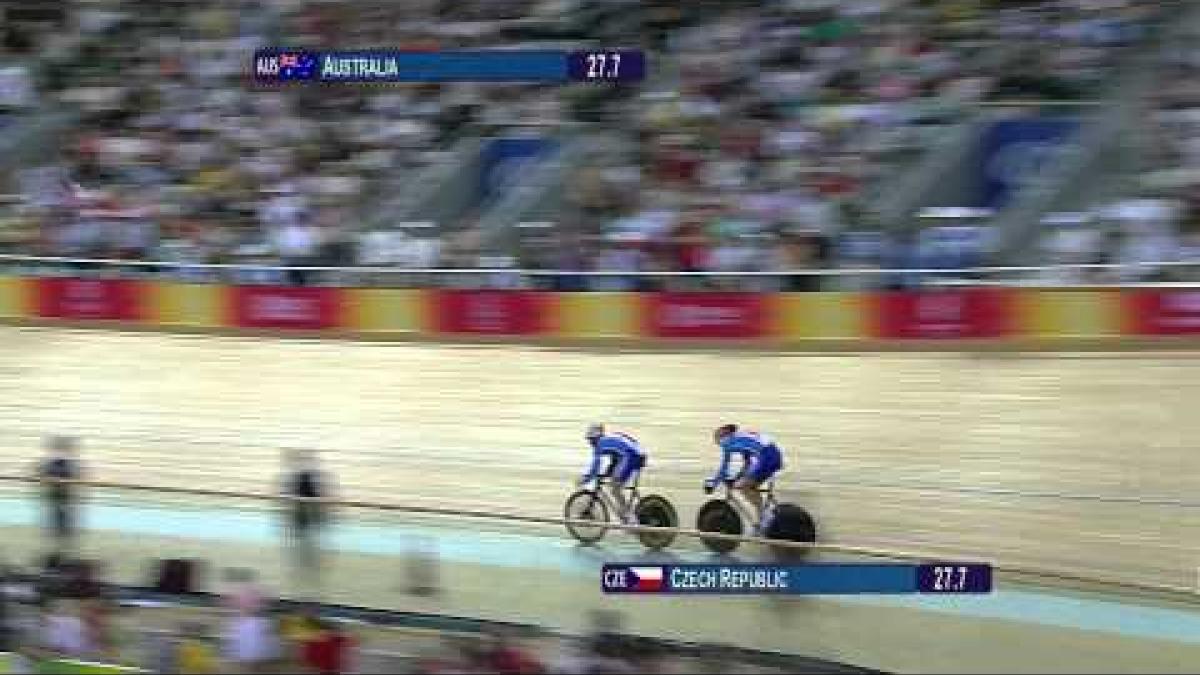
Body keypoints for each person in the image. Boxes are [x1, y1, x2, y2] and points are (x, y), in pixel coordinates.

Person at [704, 425, 784, 533]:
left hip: (766, 457)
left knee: (742, 487)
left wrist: (713, 484)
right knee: (749, 485)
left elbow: (724, 468)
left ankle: (766, 516)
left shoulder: (727, 442)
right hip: (773, 456)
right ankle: (760, 524)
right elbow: (747, 464)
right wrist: (738, 477)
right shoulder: (740, 436)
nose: (717, 442)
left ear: (723, 435)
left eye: (716, 438)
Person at [280, 450, 331, 587]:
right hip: (303, 515)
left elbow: (314, 494)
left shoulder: (301, 476)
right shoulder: (303, 475)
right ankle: (307, 565)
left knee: (304, 541)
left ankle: (306, 565)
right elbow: (316, 495)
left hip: (303, 515)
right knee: (305, 541)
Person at [579, 424, 646, 524]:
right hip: (636, 453)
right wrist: (605, 474)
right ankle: (628, 513)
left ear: (595, 438)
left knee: (615, 487)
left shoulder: (600, 444)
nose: (590, 443)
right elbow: (614, 461)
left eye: (590, 440)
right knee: (615, 481)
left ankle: (629, 516)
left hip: (631, 455)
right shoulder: (608, 439)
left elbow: (595, 466)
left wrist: (585, 479)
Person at [35, 436, 83, 551]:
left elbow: (42, 474)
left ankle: (60, 535)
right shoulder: (59, 463)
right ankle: (61, 536)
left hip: (60, 495)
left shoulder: (61, 463)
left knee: (60, 516)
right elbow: (42, 474)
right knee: (59, 516)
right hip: (59, 495)